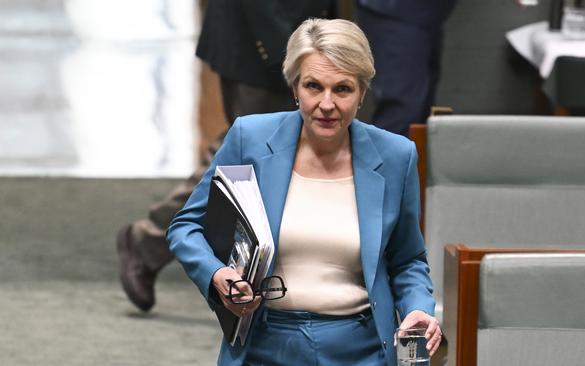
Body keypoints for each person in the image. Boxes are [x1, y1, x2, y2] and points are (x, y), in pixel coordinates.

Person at [167, 18, 442, 365]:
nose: (326, 104)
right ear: (295, 87)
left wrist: (418, 308)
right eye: (314, 86)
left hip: (362, 349)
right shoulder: (249, 140)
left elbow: (407, 259)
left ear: (361, 93)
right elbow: (186, 228)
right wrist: (217, 274)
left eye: (342, 89)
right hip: (264, 344)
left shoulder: (395, 156)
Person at [116, 0, 334, 312]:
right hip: (262, 36)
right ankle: (148, 240)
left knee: (252, 152)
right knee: (244, 156)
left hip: (295, 32)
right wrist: (288, 52)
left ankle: (150, 241)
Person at [356, 0, 457, 137]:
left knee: (419, 112)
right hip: (396, 11)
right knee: (401, 109)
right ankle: (384, 159)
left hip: (424, 15)